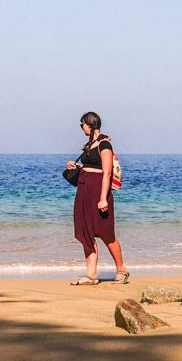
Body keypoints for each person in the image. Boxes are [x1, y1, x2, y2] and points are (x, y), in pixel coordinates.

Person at [66, 111, 129, 285]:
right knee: (85, 232)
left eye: (82, 125)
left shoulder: (104, 145)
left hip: (99, 192)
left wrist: (103, 198)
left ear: (90, 124)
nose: (82, 128)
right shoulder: (89, 145)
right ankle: (91, 274)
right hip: (84, 191)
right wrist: (76, 166)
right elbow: (91, 166)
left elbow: (107, 173)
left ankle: (121, 269)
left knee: (106, 233)